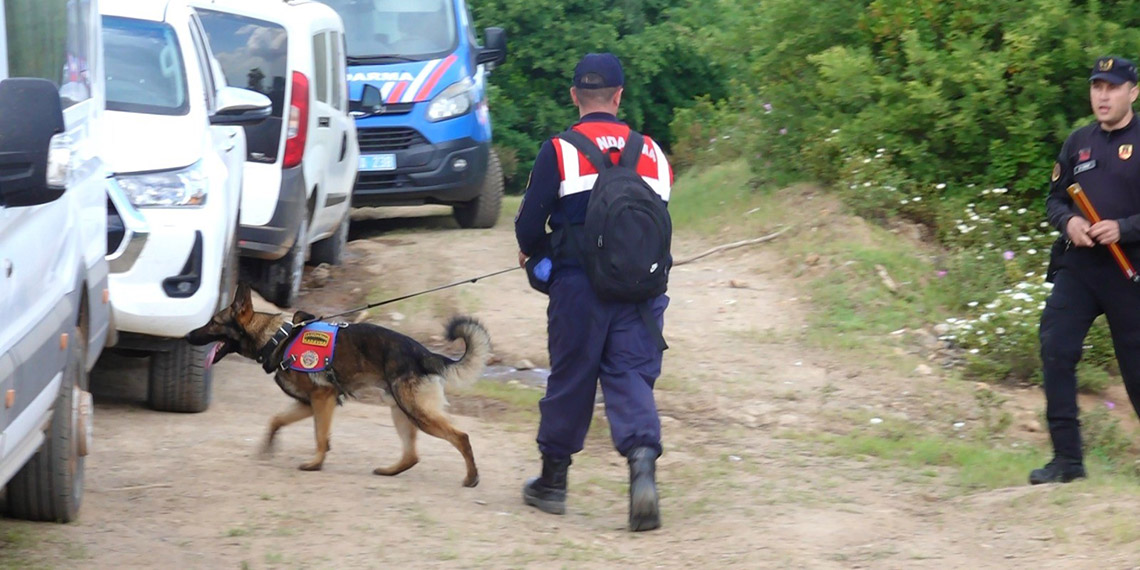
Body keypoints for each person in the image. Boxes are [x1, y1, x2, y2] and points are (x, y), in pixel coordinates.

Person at [514, 53, 673, 530]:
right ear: (620, 96)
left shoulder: (558, 151)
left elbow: (526, 229)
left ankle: (553, 483)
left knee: (571, 378)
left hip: (578, 289)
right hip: (638, 290)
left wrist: (541, 257)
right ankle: (642, 467)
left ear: (574, 96)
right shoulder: (653, 153)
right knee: (629, 376)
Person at [1035, 55, 1140, 484]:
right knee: (1055, 347)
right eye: (1097, 86)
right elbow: (1055, 200)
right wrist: (1070, 222)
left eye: (1112, 87)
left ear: (1132, 92)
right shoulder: (1078, 141)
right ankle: (1067, 463)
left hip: (1130, 271)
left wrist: (1126, 228)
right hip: (1079, 268)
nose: (1103, 95)